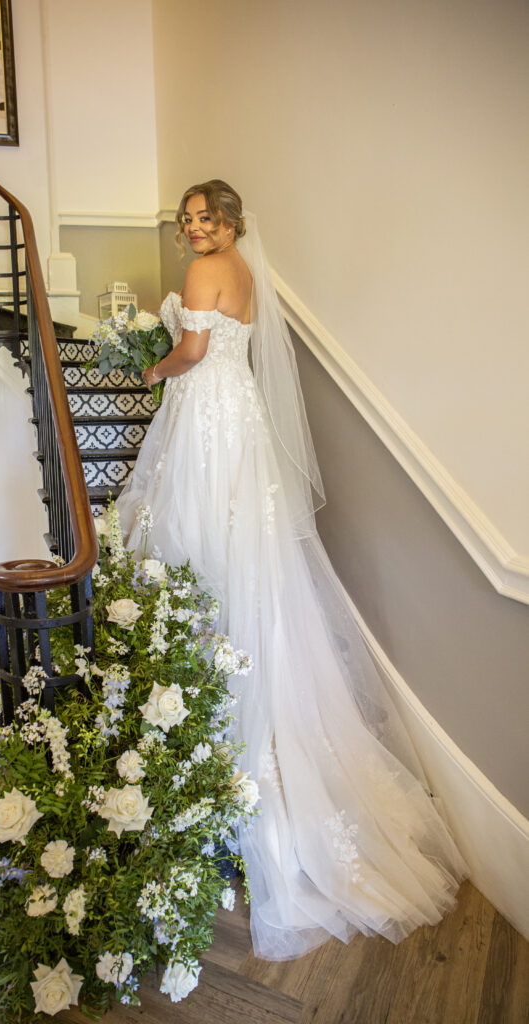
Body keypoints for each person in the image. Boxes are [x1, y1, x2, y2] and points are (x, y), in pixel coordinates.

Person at [115, 179, 469, 961]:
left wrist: (151, 371)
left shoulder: (208, 271)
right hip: (234, 415)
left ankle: (213, 708)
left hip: (208, 417)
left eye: (205, 217)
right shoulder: (244, 271)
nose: (194, 228)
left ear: (229, 221)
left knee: (202, 544)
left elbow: (194, 352)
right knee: (241, 550)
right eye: (186, 219)